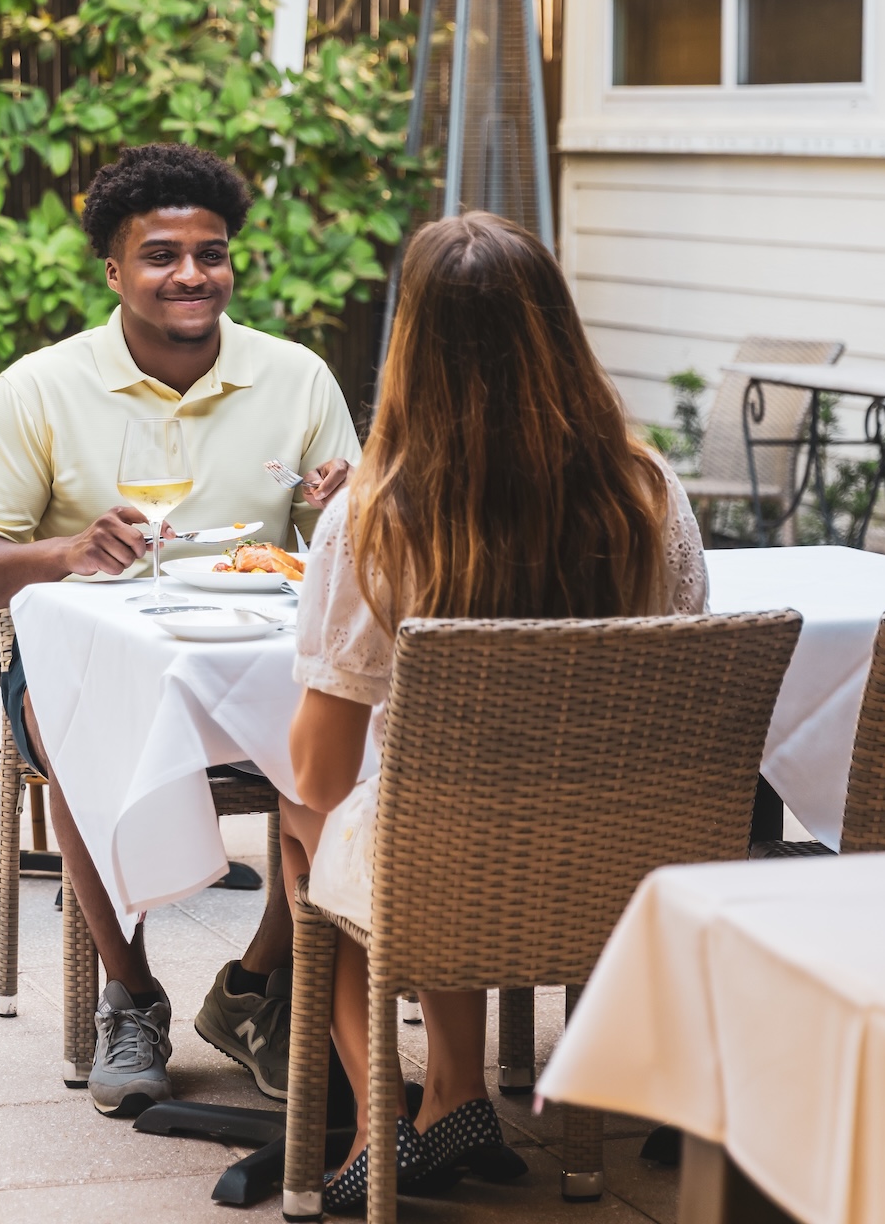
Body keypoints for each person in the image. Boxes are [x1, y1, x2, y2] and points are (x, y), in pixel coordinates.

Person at [280, 212, 709, 1212]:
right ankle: (463, 1095)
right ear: (560, 333)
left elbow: (323, 773)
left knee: (308, 819)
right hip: (627, 855)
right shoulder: (649, 488)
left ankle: (395, 1105)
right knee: (419, 811)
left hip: (445, 865)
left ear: (411, 344)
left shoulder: (375, 516)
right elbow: (682, 656)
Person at [0, 144, 361, 1117]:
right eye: (161, 254)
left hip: (261, 660)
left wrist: (348, 508)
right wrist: (65, 549)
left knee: (362, 719)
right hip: (82, 660)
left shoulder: (295, 379)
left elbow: (357, 559)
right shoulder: (40, 389)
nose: (190, 274)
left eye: (210, 253)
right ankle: (129, 991)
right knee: (62, 713)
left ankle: (256, 984)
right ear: (114, 271)